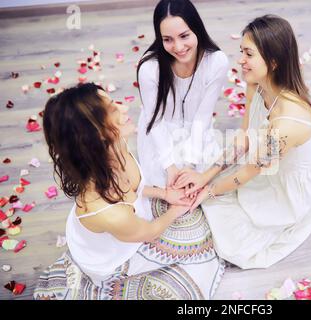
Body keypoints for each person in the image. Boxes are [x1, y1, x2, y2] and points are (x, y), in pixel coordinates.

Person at [33, 83, 224, 300]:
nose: (124, 108)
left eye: (114, 102)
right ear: (96, 134)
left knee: (200, 227)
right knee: (196, 249)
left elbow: (135, 187)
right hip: (111, 253)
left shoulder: (115, 145)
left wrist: (165, 194)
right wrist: (174, 211)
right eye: (113, 109)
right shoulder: (109, 212)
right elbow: (150, 232)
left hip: (127, 220)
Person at [174, 15, 311, 269]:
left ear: (274, 61)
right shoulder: (255, 83)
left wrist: (208, 191)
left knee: (232, 242)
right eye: (241, 51)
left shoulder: (287, 123)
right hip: (262, 162)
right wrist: (205, 176)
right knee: (211, 184)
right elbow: (245, 136)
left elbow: (248, 172)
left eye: (248, 54)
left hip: (285, 186)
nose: (241, 60)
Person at [136, 0, 229, 192]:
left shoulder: (216, 62)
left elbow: (202, 117)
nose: (178, 47)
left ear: (197, 29)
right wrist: (170, 166)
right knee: (165, 187)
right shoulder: (149, 69)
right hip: (159, 134)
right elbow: (155, 120)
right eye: (168, 39)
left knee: (201, 184)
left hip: (198, 131)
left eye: (184, 36)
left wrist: (190, 164)